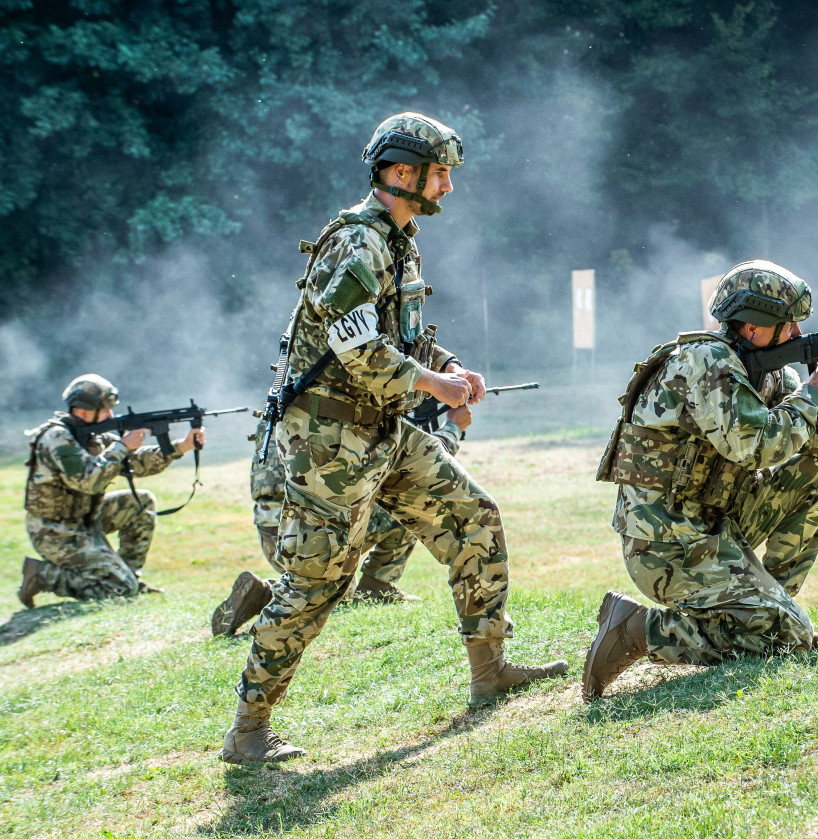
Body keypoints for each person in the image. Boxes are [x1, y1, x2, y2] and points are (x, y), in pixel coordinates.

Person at [217, 112, 566, 765]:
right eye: (441, 174)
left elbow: (404, 338)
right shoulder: (358, 242)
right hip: (330, 440)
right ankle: (247, 730)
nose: (449, 188)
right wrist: (435, 385)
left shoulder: (398, 242)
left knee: (473, 516)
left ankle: (490, 670)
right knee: (317, 582)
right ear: (401, 172)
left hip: (378, 427)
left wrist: (450, 366)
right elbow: (356, 348)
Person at [583, 260, 818, 700]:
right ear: (754, 327)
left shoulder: (769, 371)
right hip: (665, 544)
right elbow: (756, 447)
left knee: (816, 474)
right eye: (788, 324)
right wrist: (814, 392)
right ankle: (638, 630)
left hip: (715, 528)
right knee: (785, 638)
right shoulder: (705, 362)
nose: (797, 334)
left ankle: (777, 613)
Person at [210, 403, 472, 636]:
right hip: (316, 527)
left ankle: (264, 592)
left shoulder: (284, 401)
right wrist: (453, 427)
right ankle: (272, 592)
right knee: (412, 500)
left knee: (328, 590)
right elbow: (419, 467)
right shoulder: (343, 408)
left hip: (273, 531)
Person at [16, 374, 206, 607]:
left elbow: (136, 463)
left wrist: (182, 446)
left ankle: (129, 575)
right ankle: (44, 575)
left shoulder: (94, 436)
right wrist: (122, 446)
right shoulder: (57, 438)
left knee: (142, 502)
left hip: (86, 519)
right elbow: (89, 481)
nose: (111, 416)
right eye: (106, 410)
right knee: (119, 590)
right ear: (84, 411)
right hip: (56, 531)